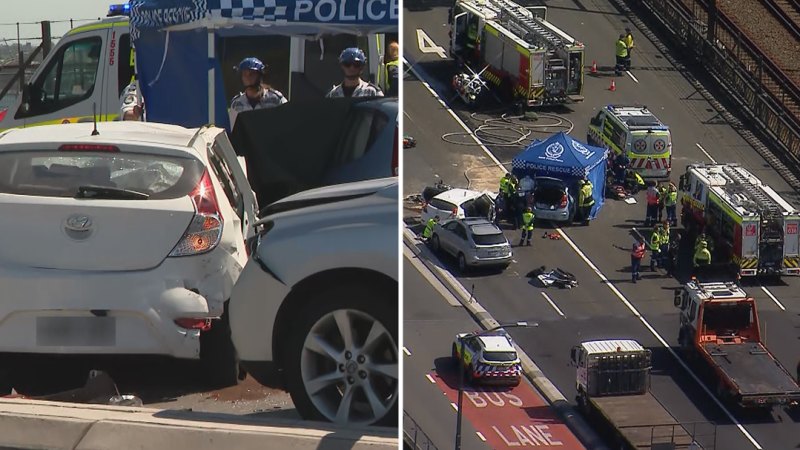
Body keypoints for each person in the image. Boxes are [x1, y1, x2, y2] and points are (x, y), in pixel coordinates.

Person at [229, 57, 287, 128]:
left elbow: (287, 121)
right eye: (244, 74)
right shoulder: (236, 103)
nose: (248, 77)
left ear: (260, 75)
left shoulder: (276, 99)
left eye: (252, 74)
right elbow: (232, 129)